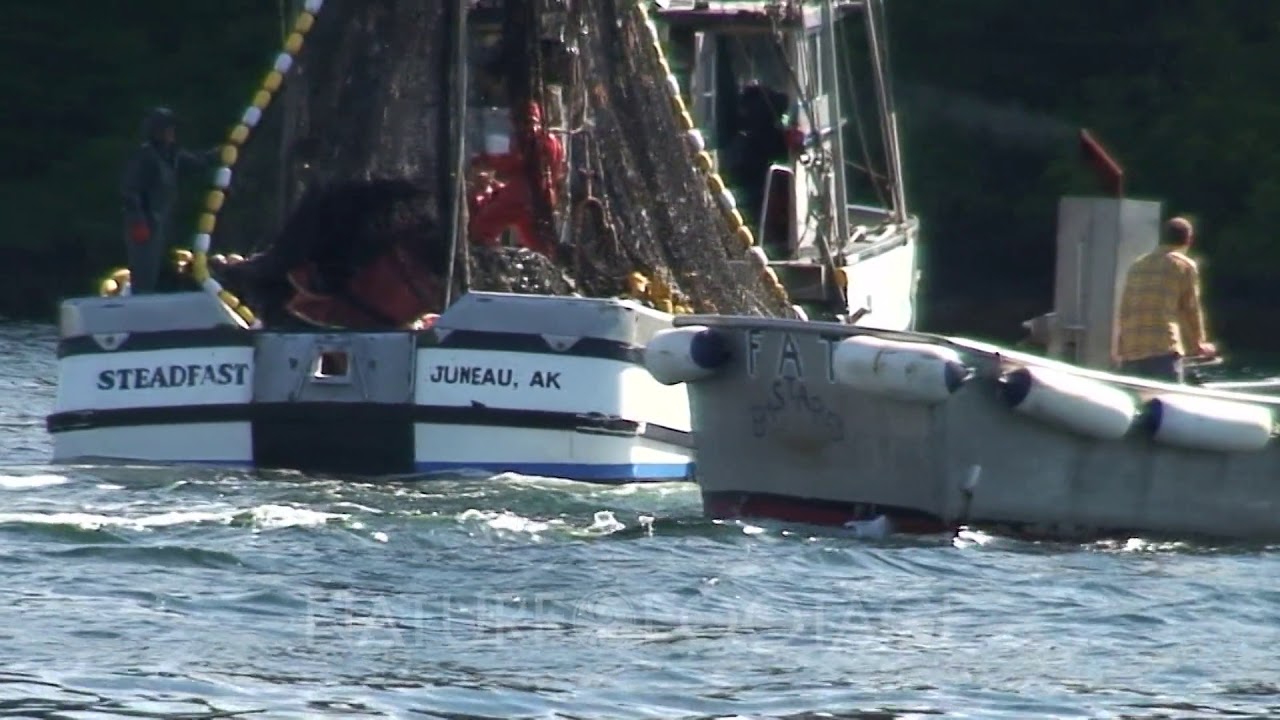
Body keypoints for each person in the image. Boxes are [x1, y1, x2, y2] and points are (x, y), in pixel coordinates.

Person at [119, 107, 219, 293]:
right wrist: (139, 221)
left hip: (163, 222)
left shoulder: (173, 155)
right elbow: (130, 191)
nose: (171, 133)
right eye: (167, 128)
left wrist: (222, 152)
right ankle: (140, 307)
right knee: (144, 272)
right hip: (145, 224)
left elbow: (199, 161)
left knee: (162, 270)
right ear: (155, 131)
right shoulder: (144, 156)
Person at [1114, 216, 1217, 383]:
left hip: (1130, 350)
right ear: (1188, 240)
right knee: (1167, 400)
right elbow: (1190, 308)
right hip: (1162, 347)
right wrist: (1199, 345)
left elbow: (1125, 309)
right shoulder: (1184, 265)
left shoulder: (1137, 265)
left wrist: (1120, 349)